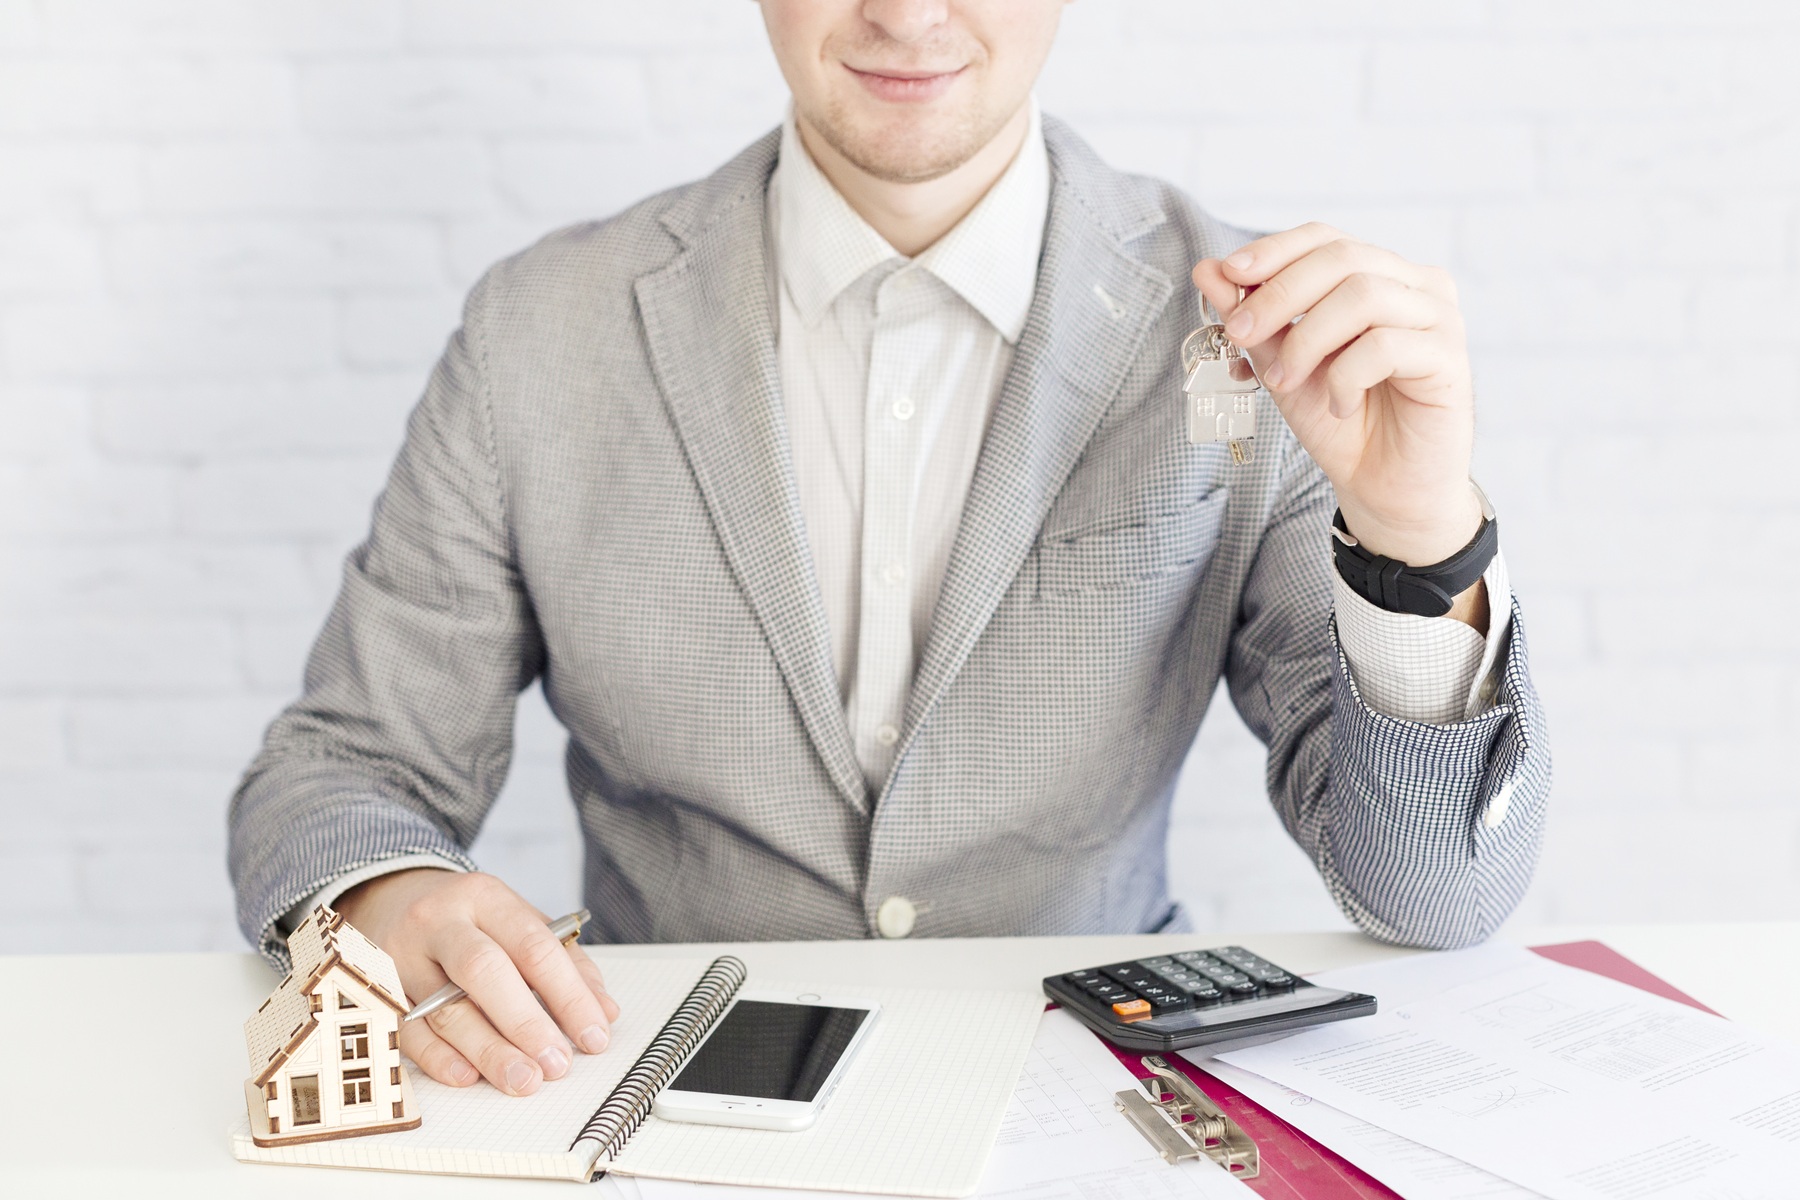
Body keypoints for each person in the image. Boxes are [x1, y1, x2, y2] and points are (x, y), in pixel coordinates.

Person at [229, 0, 1548, 1104]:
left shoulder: (1259, 340)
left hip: (1095, 1098)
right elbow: (341, 765)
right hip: (658, 1094)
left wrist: (1418, 538)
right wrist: (393, 899)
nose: (907, 12)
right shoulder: (540, 331)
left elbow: (1432, 894)